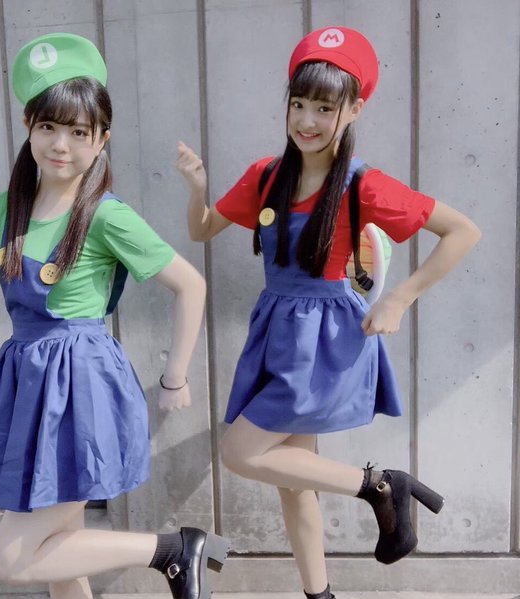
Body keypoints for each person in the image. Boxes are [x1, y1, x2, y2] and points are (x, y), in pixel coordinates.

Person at [176, 26, 480, 599]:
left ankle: (379, 485)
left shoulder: (363, 184)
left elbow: (463, 231)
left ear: (354, 109)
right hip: (276, 333)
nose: (307, 120)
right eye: (298, 104)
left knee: (241, 452)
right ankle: (321, 594)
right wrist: (197, 188)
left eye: (323, 107)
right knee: (293, 484)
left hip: (325, 340)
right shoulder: (267, 175)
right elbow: (202, 229)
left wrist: (398, 298)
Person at [0, 33, 228, 599]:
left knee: (14, 558)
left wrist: (175, 376)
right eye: (48, 127)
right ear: (28, 126)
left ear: (101, 140)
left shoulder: (106, 216)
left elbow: (190, 284)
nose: (61, 145)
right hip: (27, 383)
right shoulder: (7, 208)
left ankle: (173, 550)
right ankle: (174, 551)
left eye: (78, 132)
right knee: (58, 554)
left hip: (80, 384)